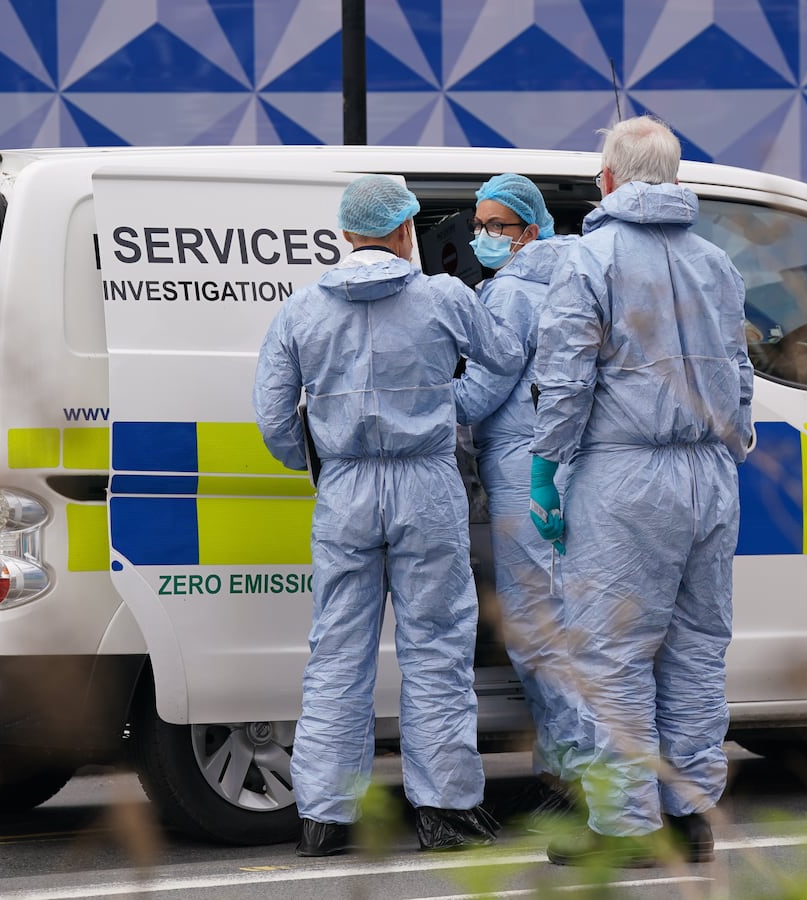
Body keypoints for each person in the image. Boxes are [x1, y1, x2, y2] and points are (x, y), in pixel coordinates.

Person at [253, 174, 525, 857]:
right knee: (435, 648)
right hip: (425, 485)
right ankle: (446, 811)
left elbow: (271, 415)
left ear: (345, 233)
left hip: (345, 490)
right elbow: (508, 357)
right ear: (407, 230)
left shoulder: (301, 309)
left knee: (337, 652)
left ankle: (323, 817)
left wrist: (319, 463)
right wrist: (453, 408)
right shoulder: (444, 297)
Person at [529, 116, 753, 867]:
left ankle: (623, 827)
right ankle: (691, 815)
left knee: (612, 649)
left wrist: (545, 469)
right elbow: (740, 373)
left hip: (624, 476)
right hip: (710, 474)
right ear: (676, 177)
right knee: (696, 649)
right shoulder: (717, 262)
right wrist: (732, 444)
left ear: (610, 180)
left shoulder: (590, 258)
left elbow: (565, 377)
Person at [452, 174, 583, 817]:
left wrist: (415, 404)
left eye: (496, 226)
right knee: (572, 623)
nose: (482, 236)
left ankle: (572, 779)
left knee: (536, 630)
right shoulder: (576, 276)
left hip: (522, 467)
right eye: (477, 225)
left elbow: (483, 388)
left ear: (530, 228)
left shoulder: (508, 295)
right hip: (568, 468)